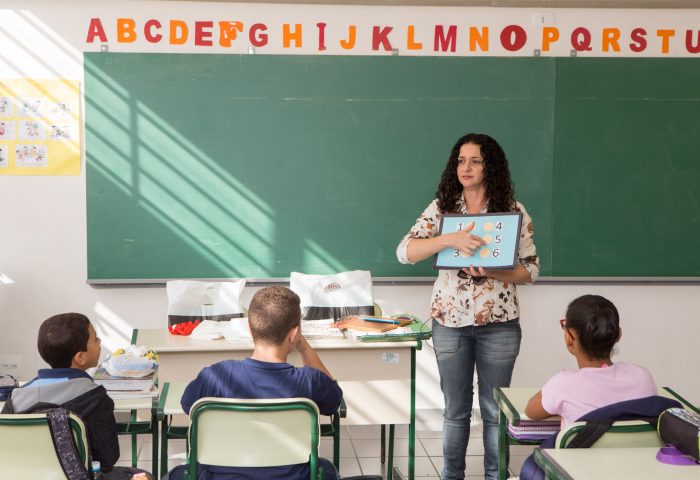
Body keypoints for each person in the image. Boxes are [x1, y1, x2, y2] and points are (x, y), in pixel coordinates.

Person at [396, 133, 539, 480]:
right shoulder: (442, 209)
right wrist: (449, 239)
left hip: (500, 324)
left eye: (475, 160)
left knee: (494, 411)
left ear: (490, 166)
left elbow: (531, 270)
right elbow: (405, 252)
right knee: (455, 411)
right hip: (449, 323)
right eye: (461, 160)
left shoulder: (512, 211)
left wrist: (492, 269)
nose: (466, 167)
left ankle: (495, 476)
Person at [166, 286, 343, 480]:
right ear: (294, 334)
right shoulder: (310, 380)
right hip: (293, 477)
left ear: (250, 329)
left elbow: (187, 404)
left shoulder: (216, 376)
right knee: (326, 469)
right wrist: (305, 349)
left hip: (221, 477)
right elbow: (333, 401)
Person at [1, 313, 153, 480]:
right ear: (80, 357)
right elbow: (106, 460)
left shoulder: (14, 400)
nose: (100, 341)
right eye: (95, 339)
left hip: (27, 476)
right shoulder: (96, 398)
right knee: (143, 476)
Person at [525, 294, 657, 427]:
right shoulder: (643, 378)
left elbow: (531, 412)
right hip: (634, 448)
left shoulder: (562, 385)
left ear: (569, 338)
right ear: (618, 335)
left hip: (581, 448)